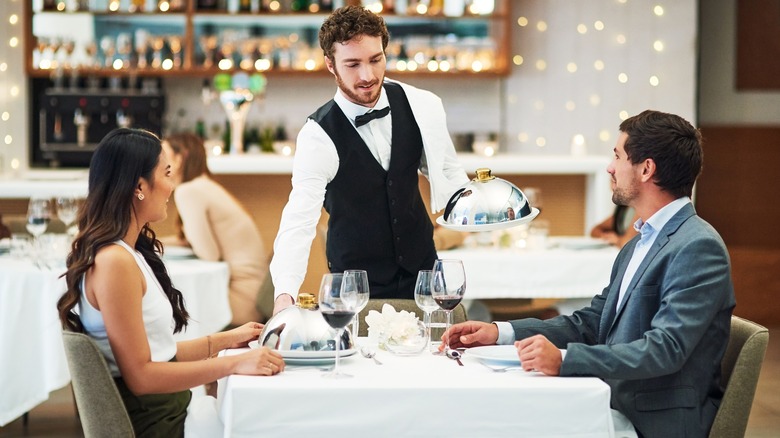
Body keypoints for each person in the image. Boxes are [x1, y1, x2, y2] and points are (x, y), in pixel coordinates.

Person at [442, 110, 735, 437]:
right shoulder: (638, 244)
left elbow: (665, 349)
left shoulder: (697, 247)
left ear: (646, 169)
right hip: (611, 403)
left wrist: (565, 361)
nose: (610, 167)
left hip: (653, 423)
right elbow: (593, 322)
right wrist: (501, 332)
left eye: (617, 156)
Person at [56, 128, 284, 437]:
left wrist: (226, 341)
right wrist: (233, 364)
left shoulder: (125, 253)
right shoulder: (115, 262)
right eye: (166, 174)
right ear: (139, 186)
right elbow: (142, 377)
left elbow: (160, 353)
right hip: (161, 425)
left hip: (173, 412)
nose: (172, 185)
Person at [270, 6, 469, 315]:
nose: (368, 75)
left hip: (426, 278)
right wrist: (285, 293)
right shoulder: (317, 136)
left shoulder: (421, 105)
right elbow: (298, 221)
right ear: (330, 65)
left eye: (376, 60)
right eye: (352, 64)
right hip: (357, 289)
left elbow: (447, 171)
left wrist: (482, 210)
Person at [162, 133, 270, 325]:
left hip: (240, 301)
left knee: (163, 312)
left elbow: (209, 254)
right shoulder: (204, 186)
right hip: (257, 297)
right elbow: (190, 241)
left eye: (163, 155)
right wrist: (150, 241)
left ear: (179, 160)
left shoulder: (189, 191)